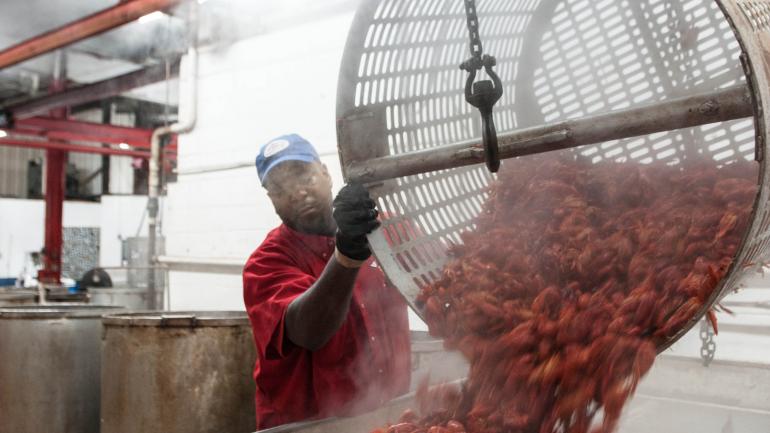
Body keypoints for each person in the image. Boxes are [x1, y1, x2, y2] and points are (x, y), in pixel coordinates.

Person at [243, 134, 411, 429]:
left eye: (303, 176)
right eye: (280, 188)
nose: (297, 192)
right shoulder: (266, 263)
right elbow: (309, 331)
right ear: (271, 199)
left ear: (326, 173)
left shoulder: (389, 230)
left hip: (391, 416)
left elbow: (443, 278)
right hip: (306, 425)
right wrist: (347, 256)